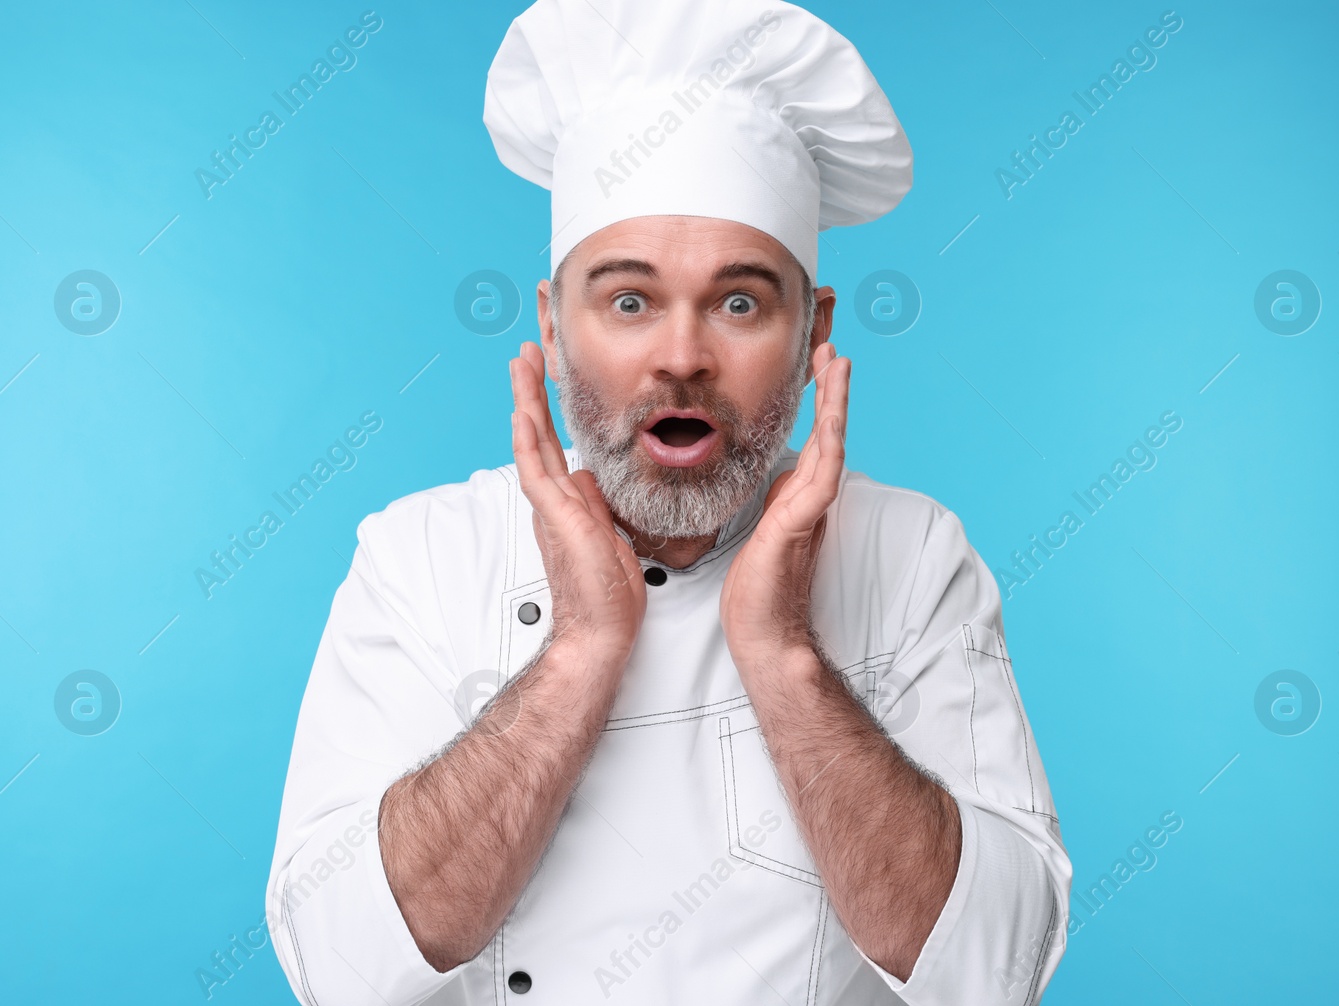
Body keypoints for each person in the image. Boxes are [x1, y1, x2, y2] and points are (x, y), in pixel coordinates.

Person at [265, 1, 1071, 1003]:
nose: (682, 355)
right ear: (554, 330)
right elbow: (337, 969)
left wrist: (779, 650)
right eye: (629, 300)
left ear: (813, 336)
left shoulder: (910, 556)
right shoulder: (421, 557)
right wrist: (578, 653)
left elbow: (995, 970)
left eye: (740, 302)